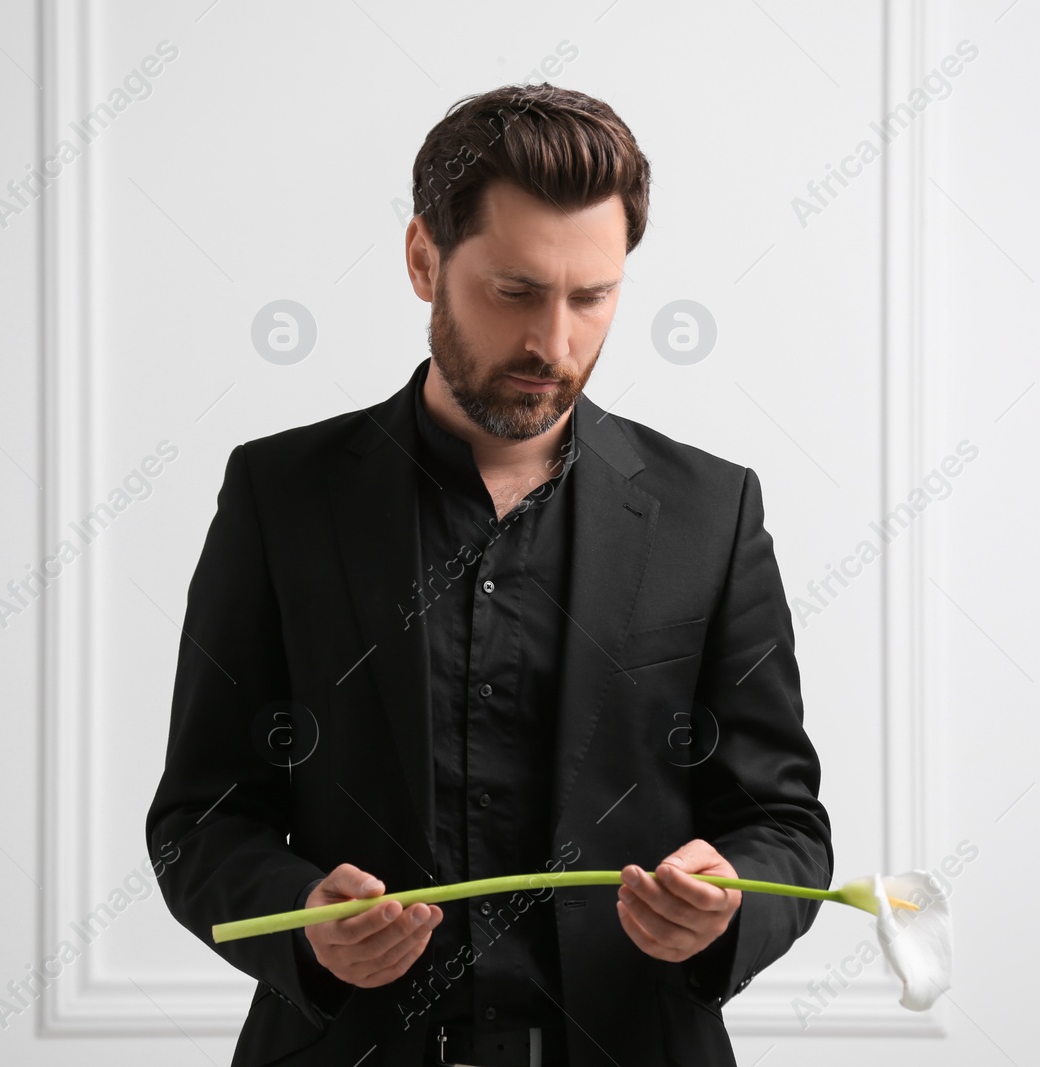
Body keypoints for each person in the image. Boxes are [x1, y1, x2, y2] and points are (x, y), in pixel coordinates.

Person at [146, 82, 832, 1067]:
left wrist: (725, 906)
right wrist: (299, 913)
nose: (553, 344)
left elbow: (782, 822)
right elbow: (197, 819)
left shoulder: (710, 511)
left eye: (590, 297)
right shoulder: (279, 494)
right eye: (514, 291)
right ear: (425, 258)